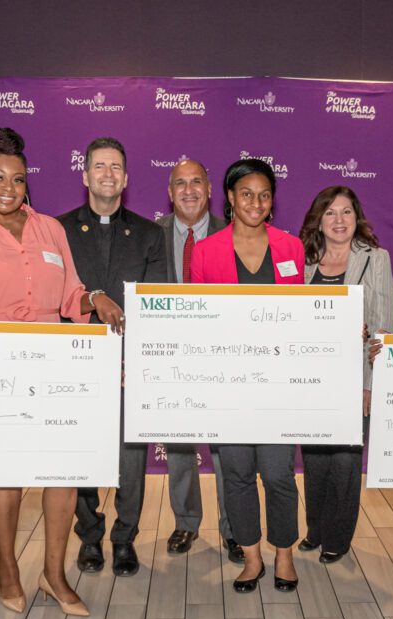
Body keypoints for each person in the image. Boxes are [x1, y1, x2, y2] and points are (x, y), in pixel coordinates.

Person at [0, 128, 123, 616]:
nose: (8, 187)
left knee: (63, 472)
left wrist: (95, 297)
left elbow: (71, 295)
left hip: (54, 365)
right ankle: (8, 567)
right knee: (5, 475)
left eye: (17, 178)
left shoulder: (51, 230)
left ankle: (54, 574)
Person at [190, 158, 305, 593]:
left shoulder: (291, 248)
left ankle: (284, 554)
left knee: (278, 474)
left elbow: (303, 315)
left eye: (264, 195)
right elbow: (198, 319)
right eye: (246, 194)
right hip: (228, 385)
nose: (255, 202)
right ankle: (252, 557)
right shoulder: (206, 251)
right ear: (230, 198)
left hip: (279, 384)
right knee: (236, 474)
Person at [57, 137, 167, 577]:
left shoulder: (150, 234)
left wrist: (134, 361)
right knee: (79, 453)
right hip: (74, 364)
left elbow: (154, 304)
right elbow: (54, 298)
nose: (108, 174)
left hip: (127, 367)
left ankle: (124, 538)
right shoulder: (58, 229)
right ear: (85, 175)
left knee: (130, 457)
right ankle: (89, 535)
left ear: (126, 178)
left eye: (116, 167)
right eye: (99, 166)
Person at [298, 186, 393, 563]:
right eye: (330, 213)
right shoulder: (302, 259)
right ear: (319, 220)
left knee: (344, 461)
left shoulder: (376, 259)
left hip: (354, 380)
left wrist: (370, 385)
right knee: (315, 460)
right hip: (310, 380)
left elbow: (383, 329)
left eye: (346, 212)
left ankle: (337, 537)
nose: (339, 220)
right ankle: (315, 529)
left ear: (357, 218)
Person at [155, 159, 239, 559]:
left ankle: (234, 528)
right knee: (178, 447)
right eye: (180, 184)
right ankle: (186, 522)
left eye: (196, 183)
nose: (188, 191)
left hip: (224, 357)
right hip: (171, 356)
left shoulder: (236, 234)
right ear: (170, 193)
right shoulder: (151, 235)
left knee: (227, 449)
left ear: (209, 190)